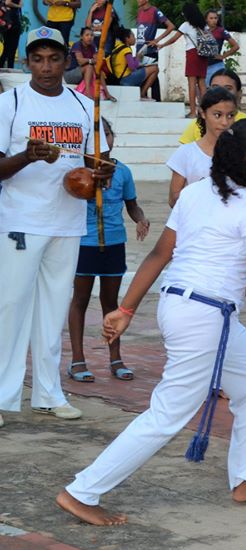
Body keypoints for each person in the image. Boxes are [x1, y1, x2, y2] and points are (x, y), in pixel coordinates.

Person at [55, 118, 246, 526]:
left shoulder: (196, 193)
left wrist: (124, 310)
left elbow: (159, 255)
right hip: (207, 316)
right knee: (167, 415)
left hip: (185, 307)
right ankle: (82, 491)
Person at [0, 27, 112, 428]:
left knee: (52, 309)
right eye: (37, 59)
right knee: (11, 307)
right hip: (20, 221)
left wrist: (98, 178)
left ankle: (48, 393)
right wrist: (27, 157)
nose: (46, 67)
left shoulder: (84, 106)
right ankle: (2, 396)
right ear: (26, 62)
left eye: (53, 59)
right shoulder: (9, 103)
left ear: (67, 61)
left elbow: (100, 163)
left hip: (67, 221)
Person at [67, 118, 150, 383]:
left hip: (114, 243)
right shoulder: (77, 171)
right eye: (96, 136)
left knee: (111, 303)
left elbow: (132, 204)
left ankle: (116, 358)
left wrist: (141, 218)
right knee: (80, 299)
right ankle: (78, 360)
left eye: (107, 134)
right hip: (85, 242)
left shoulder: (122, 171)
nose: (103, 141)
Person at [166, 86, 237, 206]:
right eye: (217, 115)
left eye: (230, 115)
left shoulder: (240, 152)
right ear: (203, 113)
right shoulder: (186, 153)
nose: (224, 122)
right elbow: (174, 200)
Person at [155, 2, 207, 118]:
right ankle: (204, 112)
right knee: (202, 84)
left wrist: (162, 45)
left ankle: (193, 112)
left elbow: (174, 39)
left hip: (193, 54)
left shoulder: (186, 25)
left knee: (192, 83)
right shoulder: (203, 25)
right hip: (203, 54)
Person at [179, 68, 246, 144]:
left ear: (239, 93)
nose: (221, 92)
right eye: (215, 88)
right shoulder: (197, 124)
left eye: (228, 88)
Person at [134, 0, 174, 101]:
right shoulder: (139, 11)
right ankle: (149, 99)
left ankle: (153, 99)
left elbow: (171, 26)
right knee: (145, 76)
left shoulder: (155, 11)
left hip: (150, 51)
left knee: (152, 75)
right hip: (139, 51)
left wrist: (156, 40)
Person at [109, 28, 156, 95]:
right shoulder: (127, 50)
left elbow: (125, 62)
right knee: (155, 68)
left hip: (119, 79)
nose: (135, 38)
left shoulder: (119, 46)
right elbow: (132, 67)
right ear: (127, 38)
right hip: (126, 79)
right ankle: (143, 93)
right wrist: (138, 58)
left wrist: (136, 58)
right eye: (133, 36)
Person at [202, 9, 238, 85]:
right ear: (206, 19)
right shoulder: (201, 31)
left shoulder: (221, 31)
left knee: (218, 89)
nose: (214, 20)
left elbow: (235, 46)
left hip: (216, 65)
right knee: (202, 91)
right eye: (211, 18)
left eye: (215, 18)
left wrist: (223, 56)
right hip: (202, 65)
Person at [0, 0, 23, 69]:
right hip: (11, 22)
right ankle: (9, 68)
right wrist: (18, 6)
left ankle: (9, 68)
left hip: (10, 22)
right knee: (9, 49)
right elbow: (7, 2)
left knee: (9, 49)